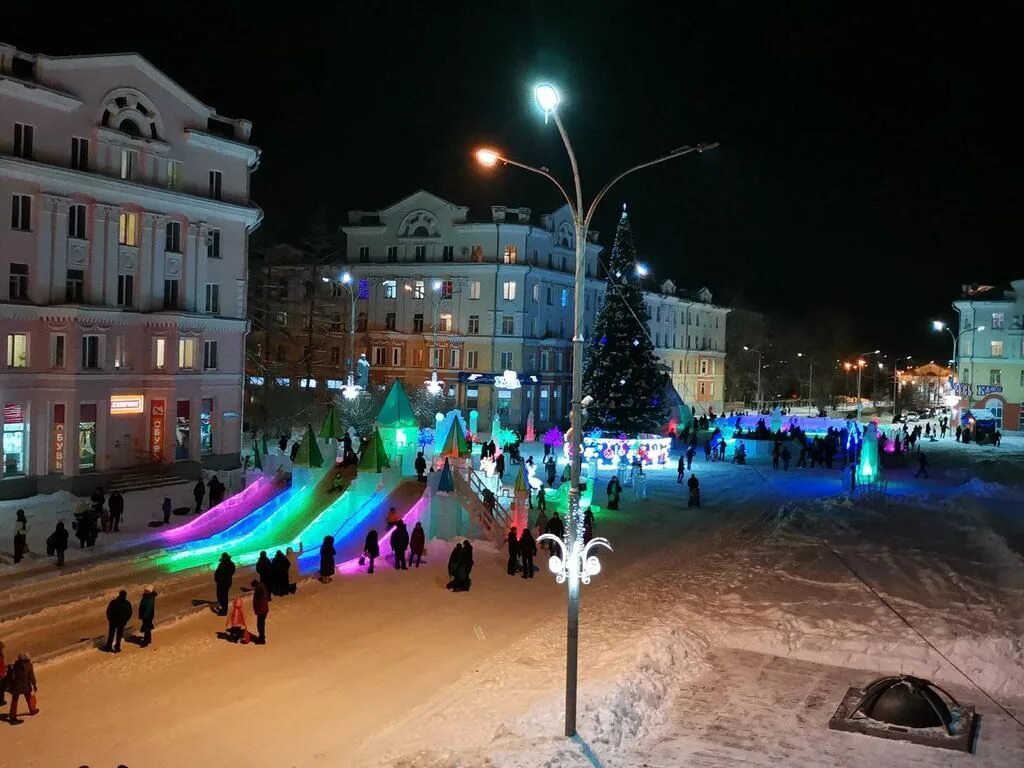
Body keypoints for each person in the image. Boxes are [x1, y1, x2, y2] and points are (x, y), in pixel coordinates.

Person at [6, 652, 37, 724]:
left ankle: (12, 716)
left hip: (16, 686)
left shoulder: (15, 666)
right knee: (28, 697)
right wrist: (34, 685)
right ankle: (32, 710)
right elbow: (32, 676)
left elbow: (13, 677)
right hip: (26, 685)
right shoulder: (29, 665)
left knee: (14, 700)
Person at [251, 580, 269, 644]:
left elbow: (258, 600)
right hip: (264, 609)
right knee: (261, 624)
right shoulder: (262, 587)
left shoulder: (259, 589)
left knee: (260, 625)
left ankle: (262, 639)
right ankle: (261, 637)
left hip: (261, 610)